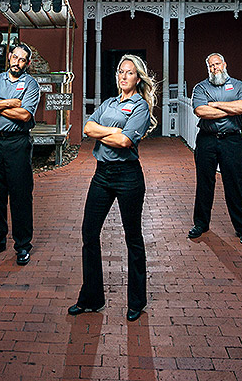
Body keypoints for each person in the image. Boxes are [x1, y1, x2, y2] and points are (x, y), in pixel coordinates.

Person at [69, 55, 155, 321]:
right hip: (102, 175)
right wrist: (112, 132)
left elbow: (126, 142)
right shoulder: (108, 103)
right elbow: (87, 127)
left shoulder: (140, 107)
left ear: (137, 78)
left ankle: (136, 302)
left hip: (128, 177)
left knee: (133, 238)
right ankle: (92, 298)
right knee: (89, 233)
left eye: (129, 72)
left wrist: (104, 131)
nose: (123, 76)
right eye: (120, 71)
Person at [0, 42, 41, 264]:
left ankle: (22, 246)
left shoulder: (31, 85)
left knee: (21, 196)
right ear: (9, 57)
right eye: (15, 57)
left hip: (18, 144)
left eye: (22, 60)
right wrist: (11, 103)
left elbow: (25, 116)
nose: (17, 62)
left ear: (27, 63)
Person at [188, 53, 242, 246]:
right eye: (210, 66)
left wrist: (215, 105)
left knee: (235, 184)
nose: (214, 68)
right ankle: (201, 224)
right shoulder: (201, 87)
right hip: (207, 140)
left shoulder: (241, 86)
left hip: (231, 141)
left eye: (217, 64)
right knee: (204, 183)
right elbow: (200, 111)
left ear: (224, 64)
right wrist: (230, 108)